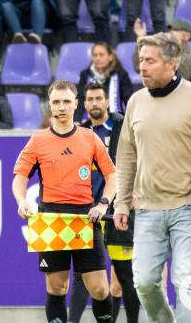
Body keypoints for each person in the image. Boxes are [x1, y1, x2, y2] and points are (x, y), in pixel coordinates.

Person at [114, 32, 191, 323]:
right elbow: (126, 157)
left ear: (171, 63)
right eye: (141, 61)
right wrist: (122, 203)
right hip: (148, 209)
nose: (143, 67)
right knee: (145, 283)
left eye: (150, 61)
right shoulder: (136, 102)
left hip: (190, 206)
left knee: (185, 280)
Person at [13, 79, 116, 323]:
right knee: (57, 288)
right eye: (56, 102)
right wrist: (21, 200)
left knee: (100, 288)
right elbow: (19, 178)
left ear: (75, 104)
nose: (61, 107)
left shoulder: (89, 138)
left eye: (66, 102)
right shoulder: (37, 140)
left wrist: (102, 204)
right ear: (49, 105)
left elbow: (113, 176)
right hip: (52, 220)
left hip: (85, 219)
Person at [69, 81, 140, 323]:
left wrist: (136, 190)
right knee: (81, 276)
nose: (95, 103)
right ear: (84, 103)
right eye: (90, 99)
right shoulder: (79, 132)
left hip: (118, 211)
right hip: (89, 213)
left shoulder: (121, 125)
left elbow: (138, 157)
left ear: (107, 101)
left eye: (99, 98)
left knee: (125, 276)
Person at [75, 41, 133, 121]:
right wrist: (76, 121)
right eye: (95, 55)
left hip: (115, 121)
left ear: (110, 57)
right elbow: (80, 101)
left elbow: (129, 100)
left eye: (101, 55)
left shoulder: (121, 75)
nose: (98, 58)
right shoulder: (85, 75)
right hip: (90, 121)